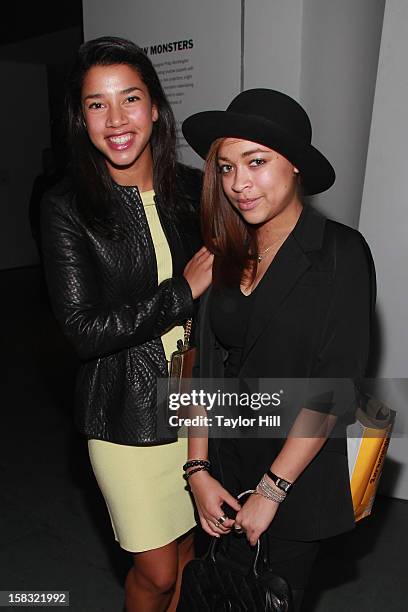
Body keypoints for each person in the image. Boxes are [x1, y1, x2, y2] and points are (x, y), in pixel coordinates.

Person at [181, 89, 376, 610]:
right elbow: (203, 373)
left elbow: (335, 390)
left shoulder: (339, 253)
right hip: (223, 473)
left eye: (256, 162)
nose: (238, 183)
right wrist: (197, 471)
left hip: (294, 475)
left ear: (295, 167)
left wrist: (271, 491)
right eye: (225, 167)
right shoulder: (225, 250)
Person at [41, 36, 213, 612]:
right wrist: (181, 292)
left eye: (130, 98)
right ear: (81, 117)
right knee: (157, 570)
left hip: (196, 402)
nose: (115, 119)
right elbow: (83, 329)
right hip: (124, 411)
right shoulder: (66, 206)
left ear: (156, 106)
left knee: (190, 553)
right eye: (96, 104)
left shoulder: (192, 189)